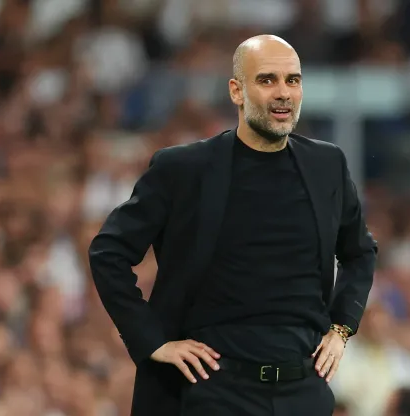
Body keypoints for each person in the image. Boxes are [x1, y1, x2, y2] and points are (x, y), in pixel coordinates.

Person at [88, 34, 378, 416]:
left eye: (293, 80)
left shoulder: (327, 165)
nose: (283, 93)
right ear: (236, 91)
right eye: (267, 80)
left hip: (303, 391)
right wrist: (153, 342)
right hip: (210, 392)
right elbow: (108, 252)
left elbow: (360, 253)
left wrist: (342, 328)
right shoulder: (183, 170)